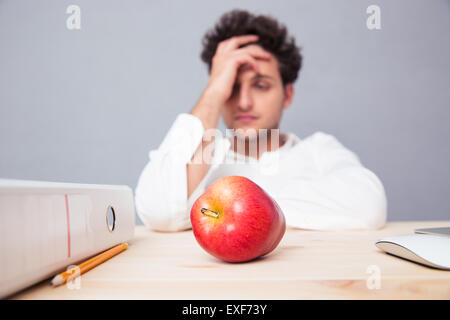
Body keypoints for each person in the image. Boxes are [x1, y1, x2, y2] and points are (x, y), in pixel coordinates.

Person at [135, 9, 387, 232]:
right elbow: (160, 211)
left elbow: (369, 205)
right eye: (231, 86)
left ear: (287, 95)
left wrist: (229, 210)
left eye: (261, 86)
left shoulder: (318, 150)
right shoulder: (201, 162)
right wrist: (213, 91)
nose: (244, 101)